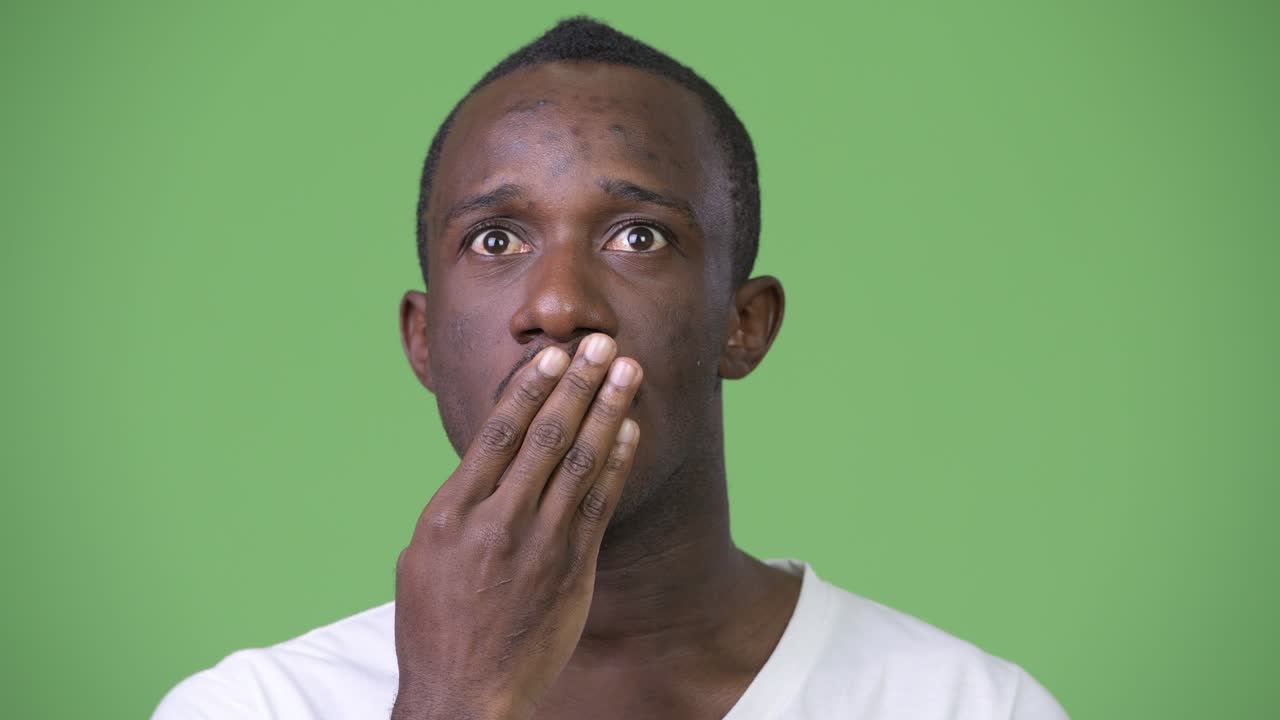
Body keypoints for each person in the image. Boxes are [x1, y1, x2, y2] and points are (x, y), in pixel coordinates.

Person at [154, 16, 1069, 720]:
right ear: (423, 342)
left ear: (743, 325)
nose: (558, 305)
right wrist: (456, 701)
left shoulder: (967, 705)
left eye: (640, 236)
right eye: (497, 237)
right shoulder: (255, 706)